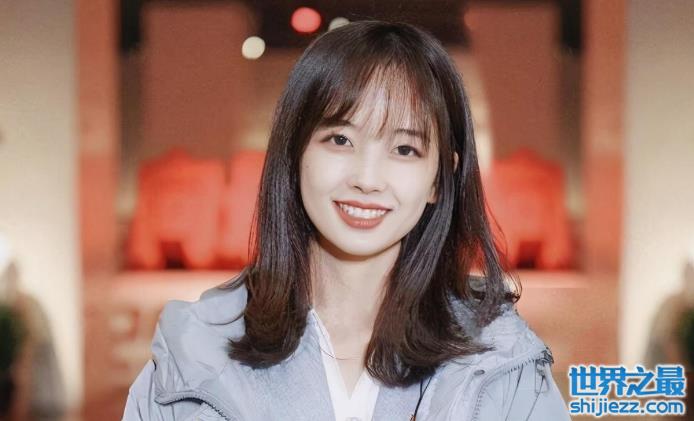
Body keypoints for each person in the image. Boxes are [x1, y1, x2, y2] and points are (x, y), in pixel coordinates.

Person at [123, 20, 570, 420]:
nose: (367, 179)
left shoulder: (500, 361)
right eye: (340, 140)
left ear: (440, 178)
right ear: (294, 152)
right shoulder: (195, 352)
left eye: (404, 149)